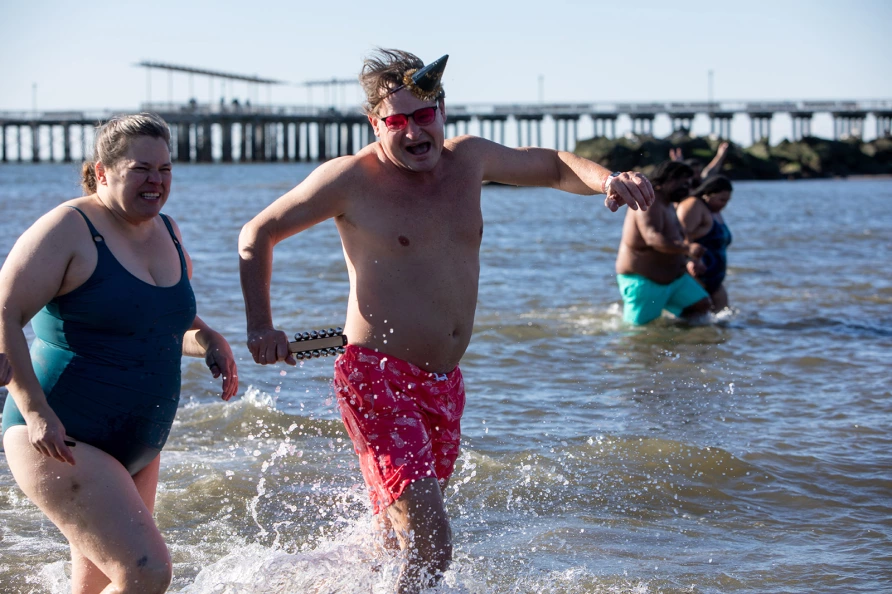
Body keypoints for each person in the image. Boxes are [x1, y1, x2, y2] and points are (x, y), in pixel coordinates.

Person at [238, 48, 653, 593]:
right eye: (396, 121)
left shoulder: (470, 161)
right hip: (376, 377)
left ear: (442, 112)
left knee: (395, 537)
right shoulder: (350, 181)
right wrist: (260, 327)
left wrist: (606, 181)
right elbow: (257, 234)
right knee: (433, 543)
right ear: (375, 124)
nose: (413, 131)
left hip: (443, 385)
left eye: (424, 115)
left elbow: (553, 165)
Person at [0, 113, 238, 593]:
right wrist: (35, 410)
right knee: (146, 572)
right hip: (61, 441)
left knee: (101, 582)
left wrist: (208, 339)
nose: (156, 181)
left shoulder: (168, 231)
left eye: (165, 169)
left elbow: (159, 328)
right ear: (102, 172)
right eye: (141, 169)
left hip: (136, 448)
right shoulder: (68, 229)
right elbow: (4, 313)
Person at [615, 160, 712, 325]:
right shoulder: (648, 201)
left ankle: (680, 342)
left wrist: (689, 260)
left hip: (675, 281)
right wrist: (688, 248)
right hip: (644, 282)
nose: (688, 188)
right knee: (637, 333)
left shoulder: (668, 203)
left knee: (701, 306)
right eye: (684, 183)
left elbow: (680, 236)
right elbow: (652, 237)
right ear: (668, 180)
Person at [677, 175, 733, 311]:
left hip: (715, 279)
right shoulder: (694, 205)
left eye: (727, 201)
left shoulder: (715, 211)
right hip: (695, 276)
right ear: (708, 194)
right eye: (721, 200)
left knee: (722, 322)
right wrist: (691, 259)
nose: (724, 204)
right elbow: (680, 236)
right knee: (694, 322)